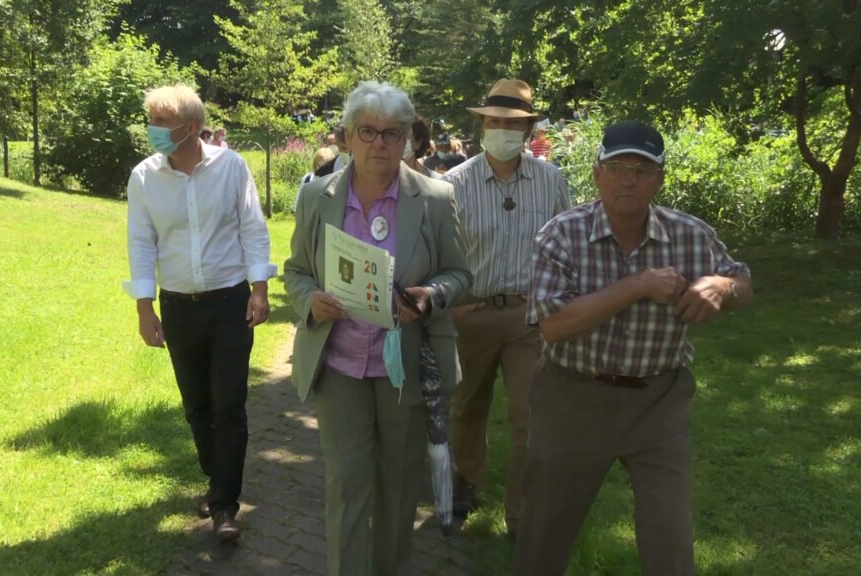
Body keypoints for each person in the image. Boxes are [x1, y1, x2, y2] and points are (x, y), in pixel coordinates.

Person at [512, 120, 753, 575]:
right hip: (572, 399)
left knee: (670, 540)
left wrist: (722, 287)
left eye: (641, 170)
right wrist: (639, 284)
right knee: (545, 534)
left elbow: (743, 281)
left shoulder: (690, 235)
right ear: (598, 172)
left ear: (659, 179)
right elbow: (555, 326)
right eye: (618, 167)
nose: (628, 179)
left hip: (658, 401)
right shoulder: (561, 235)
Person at [283, 80, 471, 576]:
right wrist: (311, 301)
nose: (379, 145)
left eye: (392, 134)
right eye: (367, 132)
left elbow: (460, 275)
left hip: (403, 366)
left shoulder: (433, 198)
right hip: (339, 364)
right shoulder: (317, 197)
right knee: (346, 487)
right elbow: (296, 271)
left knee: (398, 488)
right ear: (346, 136)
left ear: (408, 138)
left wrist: (432, 297)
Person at [123, 84, 276, 543]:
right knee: (197, 407)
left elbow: (253, 226)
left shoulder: (231, 167)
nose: (153, 132)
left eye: (162, 124)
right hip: (177, 306)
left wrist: (260, 289)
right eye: (150, 122)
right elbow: (141, 242)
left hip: (230, 302)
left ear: (192, 128)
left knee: (228, 404)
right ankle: (218, 478)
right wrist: (144, 307)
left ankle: (225, 505)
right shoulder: (144, 177)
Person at [441, 78, 572, 536]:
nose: (502, 129)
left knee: (529, 413)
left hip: (527, 316)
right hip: (470, 313)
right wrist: (450, 306)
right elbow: (439, 251)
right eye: (494, 121)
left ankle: (521, 513)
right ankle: (464, 482)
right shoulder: (453, 183)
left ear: (528, 128)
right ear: (481, 125)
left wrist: (554, 304)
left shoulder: (551, 181)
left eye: (512, 123)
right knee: (465, 407)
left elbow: (566, 246)